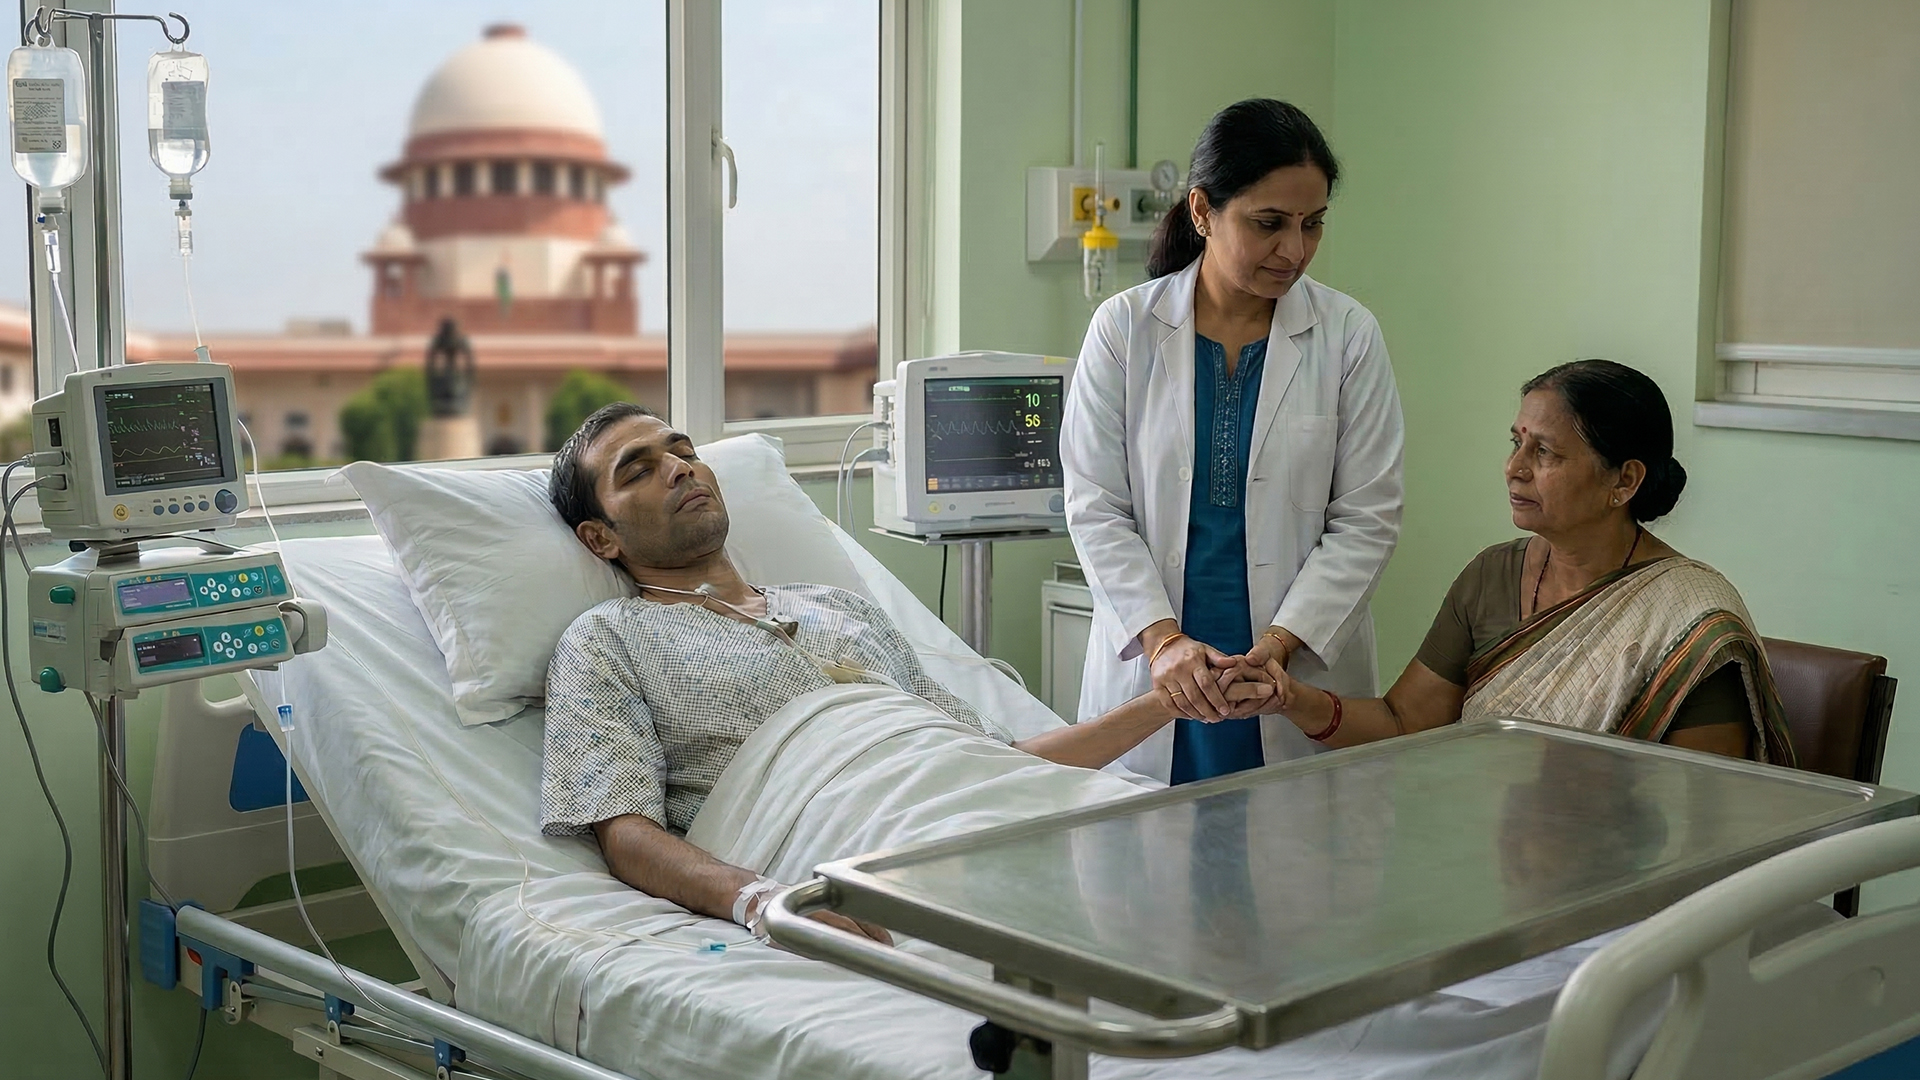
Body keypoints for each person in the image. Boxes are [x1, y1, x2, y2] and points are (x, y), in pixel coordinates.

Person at [536, 403, 1275, 943]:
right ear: (599, 536)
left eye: (682, 450)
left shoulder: (836, 605)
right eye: (639, 470)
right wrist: (762, 901)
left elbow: (993, 764)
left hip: (979, 800)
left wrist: (1168, 702)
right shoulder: (607, 639)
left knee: (1204, 876)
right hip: (853, 834)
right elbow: (624, 832)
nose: (679, 467)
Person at [1061, 98, 1405, 785]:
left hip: (1287, 672)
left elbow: (1367, 518)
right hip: (1161, 669)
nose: (1295, 250)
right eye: (1269, 224)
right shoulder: (1126, 329)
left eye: (1312, 226)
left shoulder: (1348, 336)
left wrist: (1279, 648)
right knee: (1144, 878)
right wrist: (1162, 643)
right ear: (1202, 211)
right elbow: (1096, 506)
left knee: (1294, 878)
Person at [1255, 359, 1796, 764]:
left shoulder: (1690, 625)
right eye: (1516, 442)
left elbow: (1702, 810)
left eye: (1545, 452)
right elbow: (1404, 724)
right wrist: (1291, 699)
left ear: (1624, 481)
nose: (1513, 468)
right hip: (1493, 855)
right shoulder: (1491, 577)